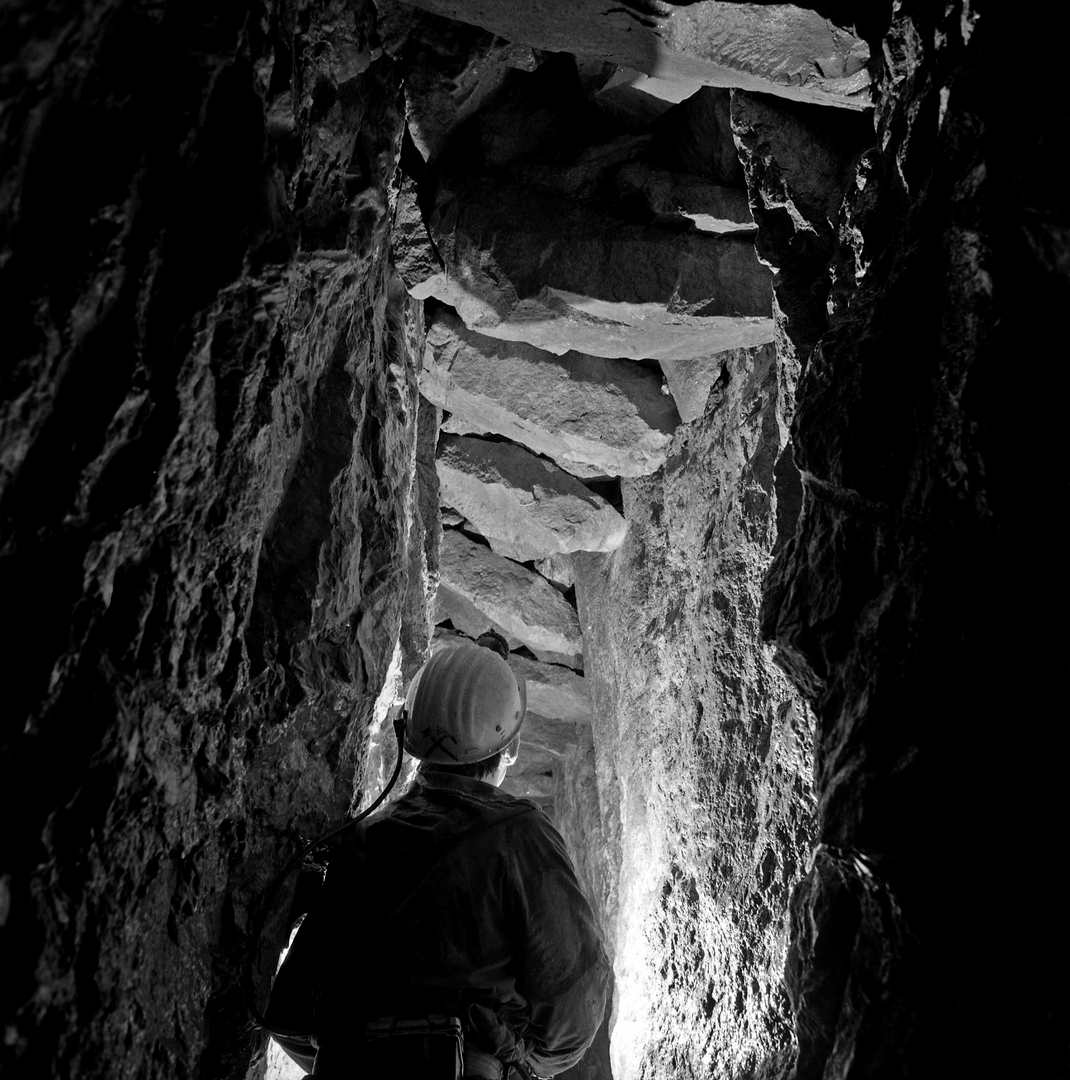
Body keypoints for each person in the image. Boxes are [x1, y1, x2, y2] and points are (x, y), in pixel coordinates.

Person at [263, 633, 612, 1079]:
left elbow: (288, 1014)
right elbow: (575, 1014)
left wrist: (360, 1052)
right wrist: (509, 1058)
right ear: (512, 747)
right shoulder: (519, 835)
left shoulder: (362, 841)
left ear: (408, 735)